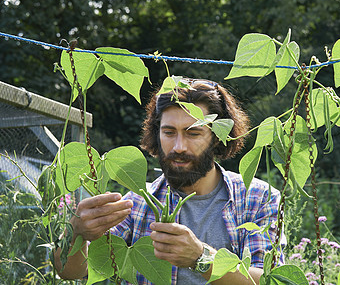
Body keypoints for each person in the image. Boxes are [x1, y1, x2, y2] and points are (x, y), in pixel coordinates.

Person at [56, 78, 282, 284]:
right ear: (157, 134)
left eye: (193, 133)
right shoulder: (137, 204)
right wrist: (76, 233)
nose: (178, 147)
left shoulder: (258, 198)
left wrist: (199, 258)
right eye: (169, 132)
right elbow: (70, 271)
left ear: (216, 137)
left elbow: (268, 280)